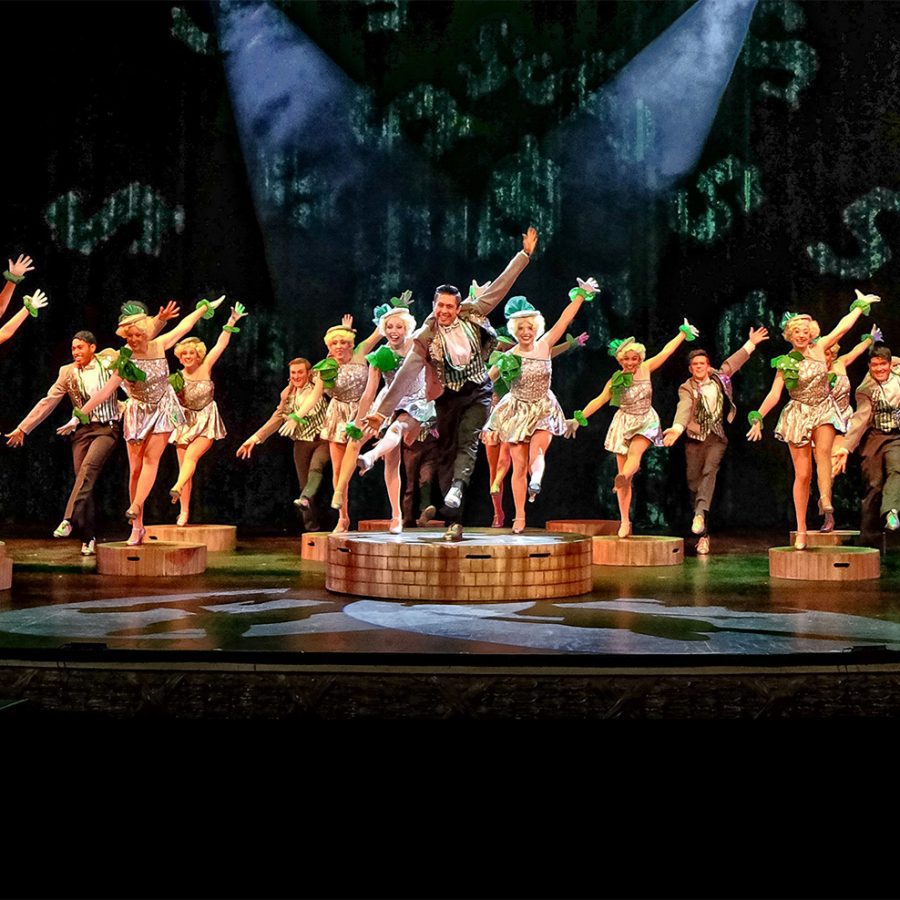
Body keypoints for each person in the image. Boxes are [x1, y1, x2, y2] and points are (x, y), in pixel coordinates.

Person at [365, 226, 539, 541]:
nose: (444, 311)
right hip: (446, 397)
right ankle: (453, 521)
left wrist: (523, 256)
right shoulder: (425, 336)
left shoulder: (473, 314)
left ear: (458, 308)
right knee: (446, 453)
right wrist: (381, 411)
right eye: (439, 305)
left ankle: (458, 488)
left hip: (477, 391)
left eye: (449, 306)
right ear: (434, 305)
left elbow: (501, 286)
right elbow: (404, 376)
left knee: (468, 442)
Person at [5, 304, 179, 555]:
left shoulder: (110, 358)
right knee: (83, 481)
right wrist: (24, 428)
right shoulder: (67, 372)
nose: (75, 352)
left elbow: (142, 336)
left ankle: (67, 520)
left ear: (93, 348)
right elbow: (48, 401)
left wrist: (160, 320)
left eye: (80, 347)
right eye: (73, 348)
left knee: (88, 470)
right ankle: (88, 537)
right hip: (81, 431)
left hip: (107, 429)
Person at [57, 296, 226, 545]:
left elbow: (184, 327)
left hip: (163, 408)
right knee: (135, 469)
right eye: (130, 336)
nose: (134, 340)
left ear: (146, 333)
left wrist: (203, 308)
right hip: (137, 411)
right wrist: (78, 415)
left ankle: (136, 505)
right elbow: (105, 391)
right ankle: (137, 528)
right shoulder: (124, 360)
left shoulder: (159, 345)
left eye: (138, 335)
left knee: (151, 459)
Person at [747, 290, 881, 549]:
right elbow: (774, 394)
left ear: (811, 334)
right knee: (803, 474)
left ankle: (826, 498)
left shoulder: (820, 348)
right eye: (797, 331)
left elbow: (842, 329)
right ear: (790, 335)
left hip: (823, 409)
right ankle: (801, 530)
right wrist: (758, 417)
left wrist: (859, 306)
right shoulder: (786, 363)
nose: (802, 335)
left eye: (806, 331)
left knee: (824, 454)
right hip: (798, 413)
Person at [566, 318, 700, 538]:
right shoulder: (615, 381)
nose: (630, 362)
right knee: (625, 481)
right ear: (620, 360)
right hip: (624, 422)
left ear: (640, 358)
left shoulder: (645, 369)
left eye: (634, 358)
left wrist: (682, 334)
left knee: (635, 454)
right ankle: (625, 521)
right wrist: (577, 419)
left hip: (645, 420)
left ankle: (622, 476)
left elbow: (666, 352)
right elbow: (598, 400)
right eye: (626, 359)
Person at [482, 278, 595, 533]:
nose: (526, 332)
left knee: (538, 453)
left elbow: (564, 320)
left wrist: (581, 295)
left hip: (543, 407)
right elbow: (485, 382)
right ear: (515, 330)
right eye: (521, 328)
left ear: (536, 328)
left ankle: (537, 480)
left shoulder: (545, 345)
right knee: (518, 465)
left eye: (530, 327)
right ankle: (519, 516)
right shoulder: (508, 356)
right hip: (517, 410)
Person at [662, 326, 769, 555]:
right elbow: (684, 408)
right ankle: (703, 533)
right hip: (694, 439)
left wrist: (751, 343)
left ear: (708, 365)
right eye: (695, 365)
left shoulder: (719, 378)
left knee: (709, 473)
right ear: (690, 368)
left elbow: (734, 362)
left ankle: (700, 515)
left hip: (716, 437)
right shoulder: (686, 388)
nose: (699, 367)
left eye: (702, 363)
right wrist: (677, 428)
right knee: (694, 483)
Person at [336, 295, 436, 535]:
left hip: (416, 401)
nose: (393, 331)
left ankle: (371, 456)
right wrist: (357, 422)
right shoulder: (381, 355)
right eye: (389, 327)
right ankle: (393, 515)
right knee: (388, 460)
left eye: (398, 327)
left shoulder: (418, 346)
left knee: (397, 429)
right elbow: (369, 392)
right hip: (388, 403)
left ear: (407, 328)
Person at [278, 315, 381, 533]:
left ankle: (346, 488)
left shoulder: (361, 352)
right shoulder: (325, 368)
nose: (339, 346)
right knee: (337, 468)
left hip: (363, 411)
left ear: (351, 343)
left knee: (355, 449)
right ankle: (343, 518)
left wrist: (397, 311)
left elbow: (379, 333)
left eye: (343, 342)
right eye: (334, 343)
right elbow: (314, 396)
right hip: (338, 414)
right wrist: (297, 416)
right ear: (329, 347)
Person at [168, 303, 248, 526]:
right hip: (185, 422)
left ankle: (176, 486)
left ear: (198, 355)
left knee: (191, 458)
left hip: (206, 419)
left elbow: (220, 344)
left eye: (191, 353)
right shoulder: (176, 378)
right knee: (185, 469)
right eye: (184, 353)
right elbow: (168, 403)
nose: (187, 356)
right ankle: (184, 511)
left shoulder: (206, 367)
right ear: (179, 357)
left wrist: (231, 321)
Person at [235, 357, 330, 532]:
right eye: (293, 373)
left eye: (300, 372)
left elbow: (327, 365)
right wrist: (254, 438)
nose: (296, 376)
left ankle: (308, 500)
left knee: (316, 467)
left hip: (322, 440)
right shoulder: (287, 394)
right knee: (304, 484)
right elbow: (277, 418)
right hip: (301, 442)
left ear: (308, 373)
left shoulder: (318, 386)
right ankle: (312, 528)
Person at [832, 343, 900, 547]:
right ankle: (870, 542)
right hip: (875, 436)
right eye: (875, 365)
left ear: (890, 364)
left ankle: (891, 511)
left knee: (897, 468)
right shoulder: (866, 389)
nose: (879, 369)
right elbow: (860, 419)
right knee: (874, 484)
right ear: (869, 366)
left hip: (896, 436)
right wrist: (845, 447)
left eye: (883, 364)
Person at [824, 327, 881, 428]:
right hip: (823, 418)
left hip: (845, 416)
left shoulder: (840, 363)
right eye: (821, 354)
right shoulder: (813, 370)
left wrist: (870, 339)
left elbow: (857, 350)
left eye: (827, 354)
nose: (823, 358)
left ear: (832, 355)